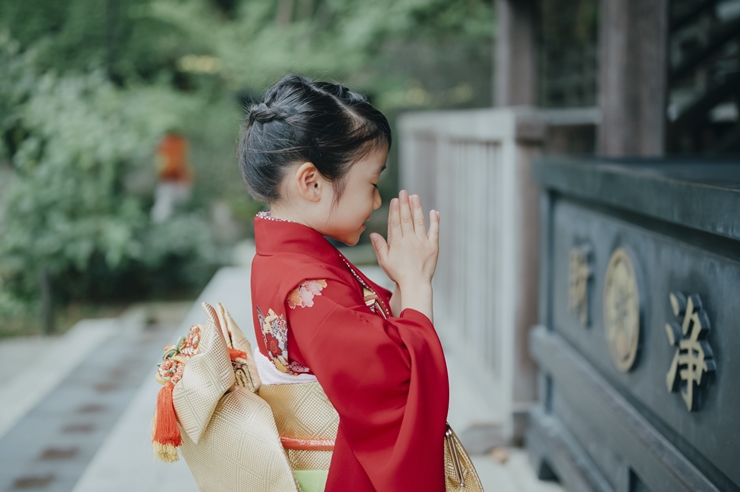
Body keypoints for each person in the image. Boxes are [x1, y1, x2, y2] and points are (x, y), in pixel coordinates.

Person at [238, 75, 449, 492]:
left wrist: (401, 286)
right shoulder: (306, 286)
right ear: (312, 182)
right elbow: (398, 387)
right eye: (371, 183)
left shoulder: (281, 259)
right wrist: (417, 284)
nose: (375, 201)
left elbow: (374, 350)